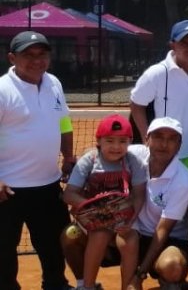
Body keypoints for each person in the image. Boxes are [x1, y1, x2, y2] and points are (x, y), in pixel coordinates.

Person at [0, 30, 74, 290]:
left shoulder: (53, 82)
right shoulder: (2, 89)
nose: (36, 60)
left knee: (54, 244)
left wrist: (69, 156)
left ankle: (55, 284)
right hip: (8, 190)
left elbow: (64, 121)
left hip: (48, 182)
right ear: (12, 58)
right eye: (28, 55)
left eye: (42, 54)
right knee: (3, 250)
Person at [61, 114, 146, 290]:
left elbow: (139, 195)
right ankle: (88, 285)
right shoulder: (90, 160)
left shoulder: (133, 162)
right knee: (98, 233)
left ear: (130, 141)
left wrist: (129, 221)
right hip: (94, 220)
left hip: (123, 220)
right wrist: (95, 209)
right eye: (110, 141)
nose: (116, 146)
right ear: (99, 141)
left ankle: (128, 286)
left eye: (122, 141)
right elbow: (69, 194)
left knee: (129, 240)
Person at [130, 20, 188, 168]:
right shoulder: (156, 73)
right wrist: (147, 137)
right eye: (184, 43)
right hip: (170, 156)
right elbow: (137, 103)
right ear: (173, 45)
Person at [128, 117, 188, 290]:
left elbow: (163, 230)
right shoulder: (133, 155)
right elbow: (100, 151)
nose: (164, 144)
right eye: (158, 136)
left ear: (179, 146)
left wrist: (139, 275)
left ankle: (170, 283)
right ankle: (84, 285)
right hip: (132, 235)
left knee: (172, 266)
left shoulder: (183, 181)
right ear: (146, 139)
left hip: (169, 240)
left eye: (172, 139)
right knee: (72, 236)